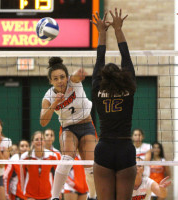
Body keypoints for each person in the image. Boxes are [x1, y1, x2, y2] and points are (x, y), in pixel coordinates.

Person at [91, 8, 137, 200]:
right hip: (125, 148)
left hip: (104, 148)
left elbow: (98, 59)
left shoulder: (96, 89)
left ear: (102, 77)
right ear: (121, 76)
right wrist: (118, 29)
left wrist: (102, 33)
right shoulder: (129, 88)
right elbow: (126, 58)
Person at [40, 50, 97, 200]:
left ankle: (92, 196)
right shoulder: (48, 97)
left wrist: (80, 72)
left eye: (62, 77)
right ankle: (54, 197)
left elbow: (78, 74)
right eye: (55, 79)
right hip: (68, 128)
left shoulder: (73, 81)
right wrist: (55, 104)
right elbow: (43, 121)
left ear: (67, 77)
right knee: (66, 160)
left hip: (86, 125)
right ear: (51, 81)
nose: (60, 81)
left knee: (91, 167)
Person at [21, 131, 58, 200]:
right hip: (30, 195)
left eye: (41, 139)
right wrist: (23, 192)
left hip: (48, 194)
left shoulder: (52, 156)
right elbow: (22, 176)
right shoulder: (25, 157)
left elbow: (58, 175)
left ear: (44, 142)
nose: (39, 141)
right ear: (32, 142)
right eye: (36, 139)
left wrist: (58, 191)